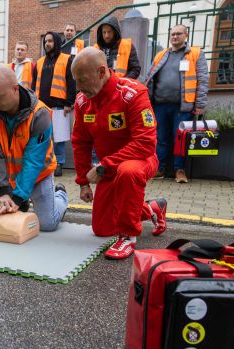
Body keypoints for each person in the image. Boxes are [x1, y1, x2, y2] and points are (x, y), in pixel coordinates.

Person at [71, 48, 167, 260]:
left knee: (128, 171)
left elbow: (145, 143)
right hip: (108, 167)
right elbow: (80, 142)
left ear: (101, 71)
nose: (78, 88)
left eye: (83, 80)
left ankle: (128, 236)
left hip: (140, 161)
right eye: (75, 81)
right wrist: (83, 182)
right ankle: (152, 208)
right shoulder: (82, 102)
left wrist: (105, 165)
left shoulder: (133, 94)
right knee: (101, 228)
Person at [0, 64, 68, 231]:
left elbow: (33, 162)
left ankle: (61, 195)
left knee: (47, 224)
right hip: (8, 176)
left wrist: (16, 199)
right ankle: (21, 201)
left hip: (38, 175)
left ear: (15, 89)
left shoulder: (40, 114)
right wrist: (3, 192)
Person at [144, 24, 208, 183]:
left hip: (183, 106)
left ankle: (180, 170)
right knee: (161, 138)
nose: (175, 37)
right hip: (159, 105)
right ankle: (159, 169)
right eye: (172, 34)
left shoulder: (195, 53)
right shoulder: (161, 55)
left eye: (178, 34)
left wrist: (200, 104)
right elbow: (148, 78)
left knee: (180, 139)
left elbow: (203, 79)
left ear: (186, 36)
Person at [33, 31, 76, 177]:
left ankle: (59, 164)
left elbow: (72, 82)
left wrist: (69, 103)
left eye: (50, 41)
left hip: (60, 106)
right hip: (42, 106)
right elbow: (34, 85)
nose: (47, 44)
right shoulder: (39, 62)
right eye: (45, 41)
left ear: (56, 42)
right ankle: (45, 164)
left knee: (59, 138)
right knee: (44, 137)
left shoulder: (67, 59)